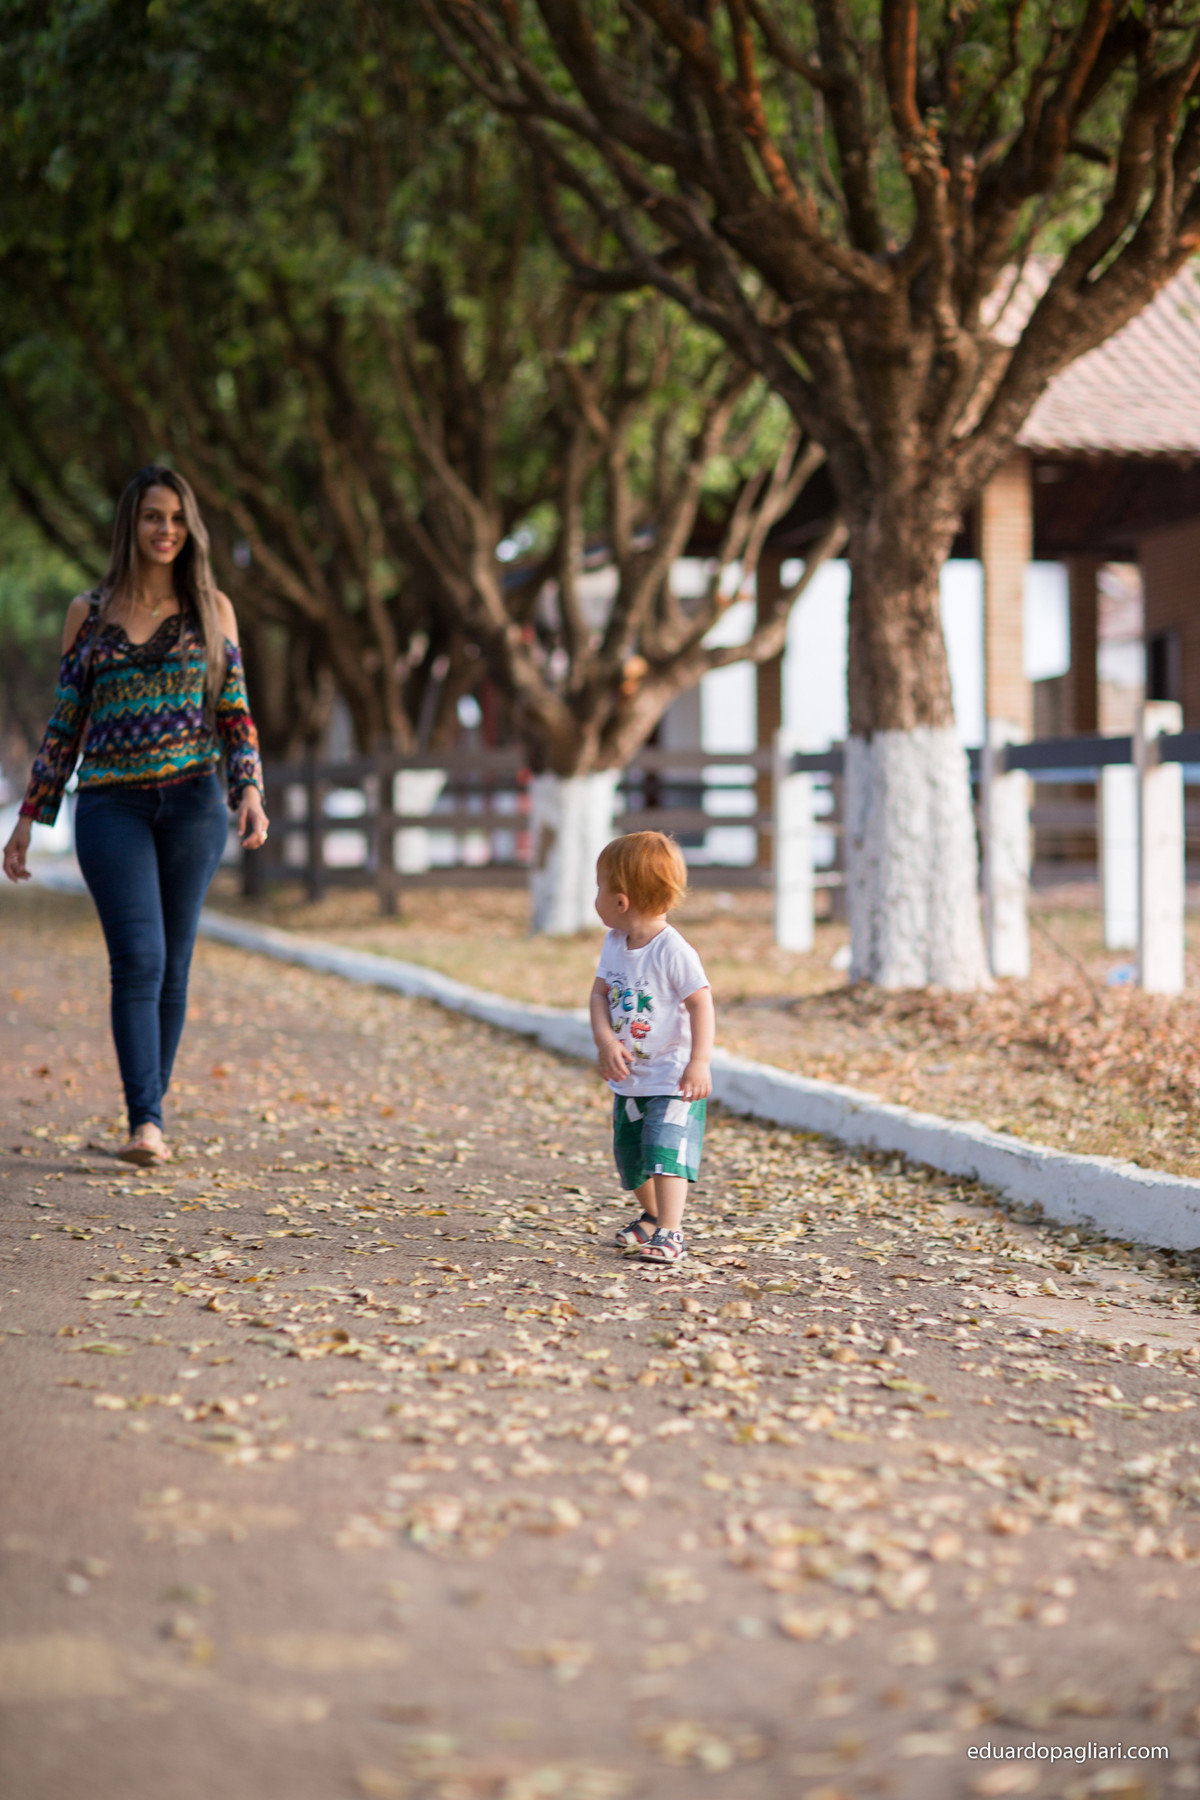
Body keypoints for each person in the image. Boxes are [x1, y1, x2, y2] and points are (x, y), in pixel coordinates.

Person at [2, 465, 268, 1167]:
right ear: (131, 524)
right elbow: (66, 723)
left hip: (193, 805)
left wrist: (249, 790)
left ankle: (151, 1116)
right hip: (111, 805)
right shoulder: (86, 612)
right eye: (154, 516)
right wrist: (31, 816)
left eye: (178, 519)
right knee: (139, 958)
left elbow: (233, 712)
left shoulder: (214, 609)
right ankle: (143, 1120)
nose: (166, 531)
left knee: (173, 965)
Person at [590, 831, 715, 1265]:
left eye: (599, 888)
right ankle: (652, 1216)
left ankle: (671, 1232)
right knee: (631, 1159)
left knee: (666, 1152)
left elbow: (701, 1002)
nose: (596, 898)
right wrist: (606, 1041)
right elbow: (599, 995)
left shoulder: (673, 950)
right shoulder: (614, 944)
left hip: (672, 1075)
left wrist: (699, 1062)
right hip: (631, 1078)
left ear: (620, 901)